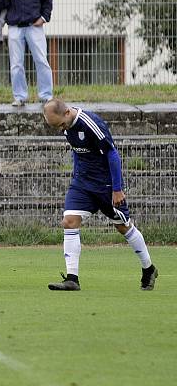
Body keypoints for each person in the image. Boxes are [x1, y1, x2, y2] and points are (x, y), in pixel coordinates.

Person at [43, 99, 158, 291]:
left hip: (105, 186)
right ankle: (72, 279)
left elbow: (112, 154)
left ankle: (149, 269)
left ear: (66, 113)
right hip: (82, 184)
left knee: (123, 227)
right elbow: (78, 152)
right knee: (69, 221)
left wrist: (117, 188)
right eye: (56, 127)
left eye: (60, 124)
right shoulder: (65, 126)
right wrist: (77, 175)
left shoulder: (91, 123)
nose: (60, 129)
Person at [0, 0, 54, 107]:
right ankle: (20, 96)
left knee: (41, 60)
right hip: (15, 27)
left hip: (34, 26)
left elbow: (48, 0)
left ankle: (46, 95)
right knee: (16, 64)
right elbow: (2, 4)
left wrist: (44, 18)